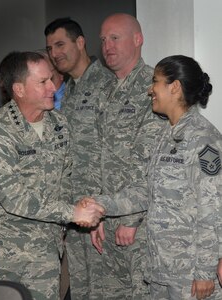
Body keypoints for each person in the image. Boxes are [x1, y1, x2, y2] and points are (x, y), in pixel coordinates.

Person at [0, 51, 105, 300]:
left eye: (51, 78)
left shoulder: (59, 124)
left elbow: (68, 177)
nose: (53, 86)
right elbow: (14, 198)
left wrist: (86, 204)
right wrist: (72, 213)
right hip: (9, 259)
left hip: (49, 252)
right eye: (43, 82)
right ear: (19, 89)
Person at [84, 13, 166, 299]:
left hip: (137, 223)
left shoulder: (154, 88)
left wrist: (130, 219)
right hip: (107, 217)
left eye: (115, 38)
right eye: (104, 40)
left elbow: (148, 160)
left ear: (138, 39)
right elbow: (96, 155)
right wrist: (96, 216)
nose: (107, 45)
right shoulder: (104, 90)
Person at [44, 17, 114, 299]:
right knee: (82, 290)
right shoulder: (67, 90)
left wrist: (105, 206)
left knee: (104, 290)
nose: (54, 53)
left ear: (81, 42)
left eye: (60, 44)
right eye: (50, 48)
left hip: (99, 213)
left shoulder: (106, 84)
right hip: (74, 213)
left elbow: (114, 154)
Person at [145, 54, 222, 299]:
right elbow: (151, 194)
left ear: (174, 87)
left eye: (155, 81)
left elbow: (213, 210)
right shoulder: (165, 135)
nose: (150, 90)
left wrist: (205, 271)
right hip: (162, 269)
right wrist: (104, 204)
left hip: (190, 276)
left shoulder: (204, 139)